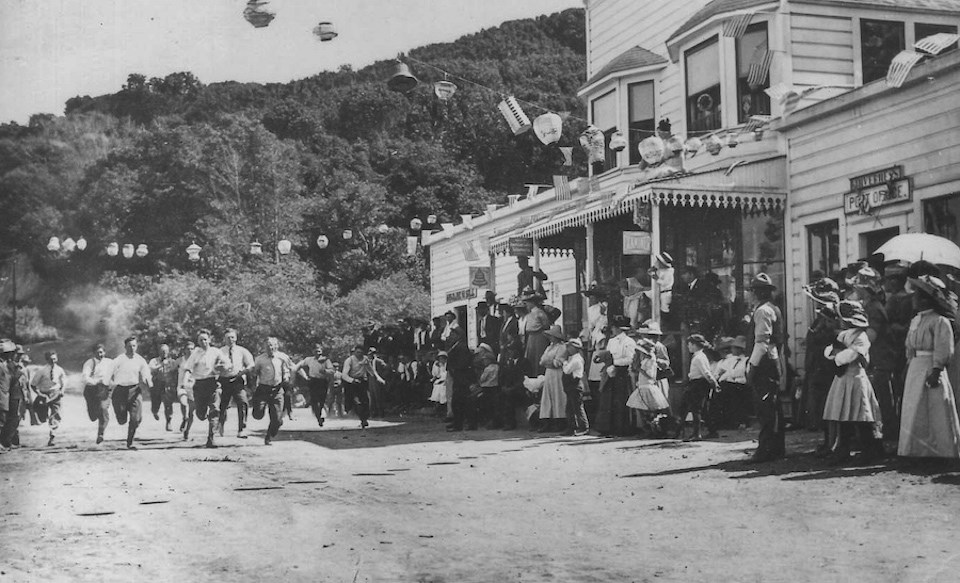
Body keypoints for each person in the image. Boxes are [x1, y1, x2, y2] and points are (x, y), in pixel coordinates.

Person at [898, 275, 960, 460]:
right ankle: (915, 450)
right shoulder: (916, 320)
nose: (913, 299)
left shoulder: (939, 321)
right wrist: (907, 364)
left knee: (933, 408)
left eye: (917, 295)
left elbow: (943, 346)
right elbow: (910, 346)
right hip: (915, 367)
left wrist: (937, 369)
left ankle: (939, 451)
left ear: (926, 299)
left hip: (930, 367)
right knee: (914, 408)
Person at [822, 300, 884, 464]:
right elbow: (829, 351)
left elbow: (850, 355)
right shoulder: (844, 334)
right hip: (843, 379)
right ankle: (842, 450)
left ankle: (870, 451)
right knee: (844, 416)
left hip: (856, 378)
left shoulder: (861, 336)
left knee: (861, 416)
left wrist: (838, 355)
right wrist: (834, 353)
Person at [746, 273, 786, 462]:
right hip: (774, 360)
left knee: (765, 407)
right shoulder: (774, 309)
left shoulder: (762, 311)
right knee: (773, 405)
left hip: (764, 363)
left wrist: (751, 367)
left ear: (756, 293)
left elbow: (762, 343)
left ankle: (766, 449)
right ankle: (777, 448)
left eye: (751, 291)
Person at [181, 329, 229, 448]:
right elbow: (188, 369)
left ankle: (211, 439)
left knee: (214, 409)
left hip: (213, 383)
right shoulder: (195, 354)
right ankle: (205, 415)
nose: (203, 342)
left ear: (210, 340)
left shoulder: (216, 352)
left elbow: (228, 364)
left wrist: (222, 367)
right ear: (198, 342)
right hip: (200, 385)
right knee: (200, 414)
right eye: (200, 340)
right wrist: (185, 381)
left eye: (205, 339)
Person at [593, 315, 636, 437]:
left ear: (619, 328)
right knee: (607, 401)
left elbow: (629, 359)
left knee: (620, 401)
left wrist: (614, 363)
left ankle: (621, 429)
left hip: (622, 373)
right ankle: (607, 428)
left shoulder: (629, 342)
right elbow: (608, 355)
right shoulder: (611, 341)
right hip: (610, 372)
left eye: (615, 327)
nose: (613, 329)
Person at [109, 336, 153, 450]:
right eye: (129, 346)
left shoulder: (140, 359)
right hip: (120, 391)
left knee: (136, 418)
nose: (132, 348)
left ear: (136, 346)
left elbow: (146, 372)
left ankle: (130, 442)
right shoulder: (119, 359)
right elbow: (109, 371)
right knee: (122, 420)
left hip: (134, 390)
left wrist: (147, 380)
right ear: (125, 347)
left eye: (134, 346)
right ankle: (121, 416)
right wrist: (108, 382)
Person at [675, 334, 717, 441]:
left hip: (699, 384)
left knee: (696, 409)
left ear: (694, 345)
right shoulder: (699, 356)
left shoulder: (699, 358)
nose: (688, 346)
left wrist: (714, 383)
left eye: (689, 344)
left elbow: (706, 372)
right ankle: (712, 431)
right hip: (696, 383)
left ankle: (696, 434)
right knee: (701, 409)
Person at [251, 337, 292, 445]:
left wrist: (286, 377)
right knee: (258, 414)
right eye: (267, 345)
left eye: (272, 345)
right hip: (263, 389)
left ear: (276, 346)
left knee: (277, 419)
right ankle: (258, 411)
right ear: (264, 347)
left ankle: (269, 436)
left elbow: (287, 369)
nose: (270, 347)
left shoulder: (283, 357)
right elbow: (255, 373)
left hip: (277, 389)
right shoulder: (260, 359)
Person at [626, 339, 671, 437]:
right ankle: (650, 428)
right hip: (643, 384)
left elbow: (650, 374)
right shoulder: (647, 359)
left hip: (647, 385)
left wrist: (639, 370)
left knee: (648, 408)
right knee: (644, 407)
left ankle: (653, 429)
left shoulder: (650, 360)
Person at [218, 329, 255, 438]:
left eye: (232, 337)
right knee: (223, 405)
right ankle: (221, 425)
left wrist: (244, 371)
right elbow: (214, 365)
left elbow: (251, 364)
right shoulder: (220, 351)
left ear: (236, 338)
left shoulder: (242, 351)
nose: (230, 340)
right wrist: (220, 368)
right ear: (224, 339)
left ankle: (241, 429)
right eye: (228, 338)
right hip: (224, 380)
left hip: (238, 380)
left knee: (243, 402)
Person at [81, 343, 115, 445]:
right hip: (91, 390)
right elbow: (85, 377)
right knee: (93, 416)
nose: (100, 354)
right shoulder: (89, 363)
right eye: (98, 352)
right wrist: (96, 381)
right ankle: (93, 413)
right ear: (93, 353)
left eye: (102, 352)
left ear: (105, 352)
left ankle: (101, 433)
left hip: (105, 390)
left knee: (103, 408)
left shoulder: (110, 362)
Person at [537, 325, 568, 433]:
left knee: (558, 395)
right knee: (547, 396)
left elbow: (558, 362)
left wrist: (549, 362)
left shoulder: (562, 347)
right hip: (549, 373)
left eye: (552, 336)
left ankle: (559, 421)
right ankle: (546, 421)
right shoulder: (549, 347)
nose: (550, 338)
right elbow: (541, 360)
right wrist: (548, 362)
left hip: (557, 374)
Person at [295, 344, 336, 427]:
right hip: (313, 381)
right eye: (316, 351)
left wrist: (325, 371)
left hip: (322, 381)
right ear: (313, 352)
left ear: (322, 352)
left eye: (319, 351)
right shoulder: (309, 360)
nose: (318, 353)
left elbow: (332, 370)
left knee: (321, 400)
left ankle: (319, 414)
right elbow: (299, 365)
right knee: (314, 400)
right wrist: (304, 375)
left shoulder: (326, 360)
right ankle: (318, 417)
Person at [31, 350, 66, 446]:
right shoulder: (41, 371)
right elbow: (33, 385)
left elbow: (64, 382)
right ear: (47, 360)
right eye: (51, 359)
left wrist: (62, 391)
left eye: (55, 359)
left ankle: (53, 436)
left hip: (55, 394)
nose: (53, 361)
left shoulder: (60, 370)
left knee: (55, 415)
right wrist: (40, 394)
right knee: (42, 417)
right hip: (44, 395)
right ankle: (42, 418)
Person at [715, 336, 750, 429]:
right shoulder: (732, 360)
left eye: (734, 348)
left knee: (732, 394)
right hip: (732, 385)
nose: (732, 350)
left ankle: (739, 421)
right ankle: (726, 422)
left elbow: (740, 373)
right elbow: (727, 372)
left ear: (740, 349)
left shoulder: (746, 360)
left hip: (742, 385)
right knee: (723, 390)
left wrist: (730, 375)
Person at [446, 331, 476, 432]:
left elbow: (463, 363)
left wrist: (454, 369)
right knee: (458, 402)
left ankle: (464, 424)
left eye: (452, 334)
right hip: (458, 377)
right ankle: (458, 423)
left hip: (462, 378)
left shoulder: (461, 347)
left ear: (458, 336)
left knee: (461, 401)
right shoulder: (455, 346)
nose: (450, 337)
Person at [148, 344, 179, 432]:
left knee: (168, 404)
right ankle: (155, 411)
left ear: (168, 352)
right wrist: (160, 365)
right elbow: (151, 369)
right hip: (157, 384)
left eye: (165, 351)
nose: (164, 353)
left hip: (168, 384)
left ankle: (168, 422)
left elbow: (176, 371)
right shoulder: (154, 361)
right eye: (162, 351)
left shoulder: (172, 362)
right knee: (155, 402)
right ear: (159, 352)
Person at [561, 338, 589, 436]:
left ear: (575, 348)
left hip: (575, 385)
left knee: (577, 407)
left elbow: (567, 370)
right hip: (571, 386)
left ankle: (584, 427)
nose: (567, 349)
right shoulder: (573, 358)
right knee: (570, 408)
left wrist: (564, 362)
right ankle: (572, 427)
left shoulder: (576, 360)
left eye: (569, 347)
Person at [521, 288, 551, 377]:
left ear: (532, 303)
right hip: (531, 338)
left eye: (527, 303)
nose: (526, 305)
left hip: (539, 338)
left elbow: (546, 326)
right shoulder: (529, 314)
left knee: (538, 358)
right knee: (531, 359)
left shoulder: (539, 313)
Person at [341, 345, 372, 429]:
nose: (359, 354)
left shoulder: (365, 359)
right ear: (354, 352)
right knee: (356, 402)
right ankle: (362, 418)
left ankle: (364, 419)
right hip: (351, 382)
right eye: (358, 352)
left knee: (365, 400)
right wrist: (352, 381)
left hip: (361, 381)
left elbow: (370, 369)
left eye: (361, 353)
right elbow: (344, 375)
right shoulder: (349, 360)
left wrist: (376, 377)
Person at [0, 340, 22, 451]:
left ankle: (6, 442)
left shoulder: (8, 364)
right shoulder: (3, 365)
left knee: (7, 419)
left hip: (7, 396)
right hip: (4, 396)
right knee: (3, 420)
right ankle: (4, 442)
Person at [474, 344, 500, 427]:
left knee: (485, 404)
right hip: (495, 387)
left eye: (485, 360)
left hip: (486, 388)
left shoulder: (487, 369)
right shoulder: (497, 367)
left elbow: (482, 378)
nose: (484, 362)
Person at [176, 340, 196, 438]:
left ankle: (187, 431)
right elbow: (171, 370)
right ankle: (184, 417)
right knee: (184, 403)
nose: (190, 351)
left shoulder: (197, 360)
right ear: (184, 350)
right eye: (188, 349)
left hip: (194, 388)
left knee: (191, 412)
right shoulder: (180, 360)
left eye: (192, 349)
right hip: (182, 386)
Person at [367, 348, 389, 418]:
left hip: (378, 382)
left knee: (379, 398)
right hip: (371, 382)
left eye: (372, 354)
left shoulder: (379, 361)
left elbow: (387, 369)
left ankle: (381, 414)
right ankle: (373, 414)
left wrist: (381, 376)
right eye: (369, 354)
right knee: (372, 398)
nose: (370, 355)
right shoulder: (369, 362)